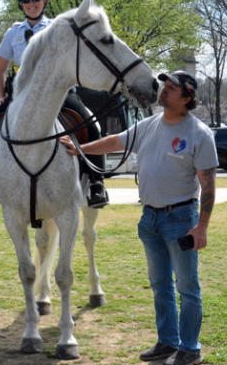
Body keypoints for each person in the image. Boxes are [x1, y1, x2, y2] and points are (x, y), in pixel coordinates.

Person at [61, 71, 217, 365]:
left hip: (182, 219)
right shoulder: (149, 125)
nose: (164, 91)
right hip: (150, 219)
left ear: (187, 98)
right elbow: (113, 142)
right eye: (165, 86)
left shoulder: (198, 134)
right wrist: (80, 149)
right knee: (160, 285)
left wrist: (202, 225)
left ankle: (191, 349)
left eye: (172, 89)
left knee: (187, 287)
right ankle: (167, 342)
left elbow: (208, 184)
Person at [0, 0, 110, 210]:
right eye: (26, 0)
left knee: (90, 122)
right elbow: (0, 70)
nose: (31, 3)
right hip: (21, 94)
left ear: (44, 1)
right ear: (21, 4)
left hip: (58, 92)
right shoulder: (13, 33)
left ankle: (96, 183)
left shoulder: (59, 28)